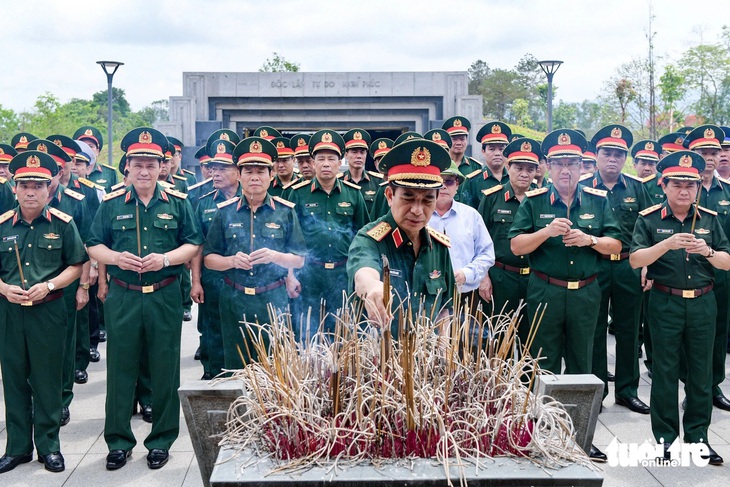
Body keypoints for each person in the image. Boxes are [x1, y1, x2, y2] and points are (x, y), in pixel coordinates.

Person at [87, 127, 203, 471]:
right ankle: (119, 442)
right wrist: (114, 258)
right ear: (127, 167)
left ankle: (161, 440)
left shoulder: (178, 202)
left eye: (151, 164)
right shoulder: (110, 204)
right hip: (124, 296)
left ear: (161, 167)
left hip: (165, 293)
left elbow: (193, 242)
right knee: (120, 369)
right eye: (137, 164)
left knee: (166, 370)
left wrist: (166, 259)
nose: (144, 171)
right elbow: (93, 244)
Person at [508, 129, 622, 462]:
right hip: (546, 290)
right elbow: (516, 246)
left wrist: (590, 240)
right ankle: (541, 432)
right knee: (541, 363)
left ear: (583, 165)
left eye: (572, 162)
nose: (566, 170)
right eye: (558, 163)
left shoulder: (598, 201)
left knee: (581, 365)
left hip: (586, 293)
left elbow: (616, 246)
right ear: (547, 166)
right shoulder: (535, 201)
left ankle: (578, 436)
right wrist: (545, 231)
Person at [630, 150, 730, 465]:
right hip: (664, 302)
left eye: (691, 185)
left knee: (702, 376)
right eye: (677, 184)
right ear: (664, 185)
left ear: (698, 187)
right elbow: (635, 259)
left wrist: (709, 251)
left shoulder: (710, 220)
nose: (684, 191)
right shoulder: (648, 219)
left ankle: (698, 439)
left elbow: (727, 262)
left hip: (702, 303)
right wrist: (664, 245)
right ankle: (665, 442)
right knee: (664, 374)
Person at [0, 150, 86, 474]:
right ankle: (17, 448)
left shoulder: (63, 224)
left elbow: (77, 264)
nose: (31, 191)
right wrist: (4, 288)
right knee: (13, 379)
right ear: (15, 189)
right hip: (9, 311)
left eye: (38, 185)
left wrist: (50, 286)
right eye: (25, 185)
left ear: (50, 188)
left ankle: (49, 447)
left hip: (47, 312)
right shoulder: (3, 225)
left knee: (48, 380)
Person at [203, 137, 305, 367]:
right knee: (235, 366)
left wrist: (275, 257)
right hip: (234, 299)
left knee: (273, 366)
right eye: (248, 171)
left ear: (271, 175)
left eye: (261, 171)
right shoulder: (224, 212)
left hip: (273, 299)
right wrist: (230, 261)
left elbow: (299, 259)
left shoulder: (285, 212)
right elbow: (209, 259)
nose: (255, 177)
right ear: (239, 175)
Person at [580, 125, 652, 414]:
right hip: (595, 266)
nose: (612, 159)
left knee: (628, 329)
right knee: (594, 329)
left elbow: (647, 230)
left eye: (618, 155)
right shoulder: (584, 186)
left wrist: (647, 264)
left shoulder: (638, 188)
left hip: (627, 266)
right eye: (607, 153)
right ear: (596, 155)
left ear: (625, 159)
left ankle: (627, 390)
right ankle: (598, 389)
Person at [348, 138, 454, 330]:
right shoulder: (369, 239)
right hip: (379, 354)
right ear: (390, 196)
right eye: (408, 198)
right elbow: (363, 273)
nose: (417, 210)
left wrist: (443, 353)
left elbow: (444, 309)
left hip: (425, 354)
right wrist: (373, 288)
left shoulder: (438, 247)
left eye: (427, 201)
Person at [288, 130, 369, 339]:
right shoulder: (298, 193)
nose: (326, 164)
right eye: (321, 159)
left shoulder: (353, 194)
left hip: (343, 274)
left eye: (331, 159)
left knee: (343, 332)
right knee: (308, 332)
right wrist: (290, 275)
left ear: (339, 162)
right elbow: (289, 239)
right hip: (309, 275)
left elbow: (363, 237)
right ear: (313, 163)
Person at [682, 125, 730, 412]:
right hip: (687, 272)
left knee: (718, 332)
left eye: (715, 152)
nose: (710, 158)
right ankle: (693, 388)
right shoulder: (683, 186)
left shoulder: (727, 191)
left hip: (721, 272)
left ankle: (713, 386)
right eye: (704, 152)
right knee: (690, 337)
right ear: (693, 155)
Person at [477, 138, 540, 341]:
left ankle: (527, 375)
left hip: (533, 279)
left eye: (530, 169)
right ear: (508, 166)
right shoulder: (492, 198)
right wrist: (483, 277)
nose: (524, 173)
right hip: (501, 278)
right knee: (497, 338)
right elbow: (478, 241)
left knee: (530, 340)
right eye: (519, 168)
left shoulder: (541, 199)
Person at [191, 138, 242, 378]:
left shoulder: (253, 198)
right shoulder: (203, 203)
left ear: (238, 171)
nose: (215, 172)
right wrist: (196, 281)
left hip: (245, 278)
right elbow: (197, 246)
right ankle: (213, 373)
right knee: (211, 327)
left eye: (223, 168)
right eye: (213, 167)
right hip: (212, 278)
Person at [429, 161, 494, 314]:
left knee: (465, 338)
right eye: (438, 181)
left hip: (465, 297)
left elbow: (487, 254)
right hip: (426, 296)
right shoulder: (418, 216)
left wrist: (467, 274)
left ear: (457, 185)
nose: (444, 186)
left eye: (449, 181)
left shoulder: (471, 216)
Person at [460, 121, 512, 208]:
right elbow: (467, 215)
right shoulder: (472, 181)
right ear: (483, 151)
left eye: (501, 149)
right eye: (492, 149)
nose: (497, 153)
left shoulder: (514, 179)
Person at [341, 129, 383, 213]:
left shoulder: (378, 182)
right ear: (346, 155)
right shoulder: (339, 181)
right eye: (354, 152)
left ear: (366, 155)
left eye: (362, 152)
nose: (359, 156)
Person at [73, 126, 118, 192]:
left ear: (98, 151)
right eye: (83, 145)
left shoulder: (109, 173)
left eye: (90, 146)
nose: (86, 149)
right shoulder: (71, 170)